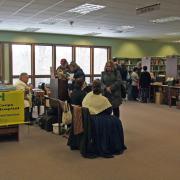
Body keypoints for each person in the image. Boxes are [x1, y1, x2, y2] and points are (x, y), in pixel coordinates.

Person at [82, 79, 126, 158]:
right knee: (116, 121)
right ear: (101, 88)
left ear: (92, 87)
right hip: (96, 119)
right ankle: (111, 144)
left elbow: (83, 104)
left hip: (87, 118)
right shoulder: (103, 99)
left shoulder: (88, 95)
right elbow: (109, 111)